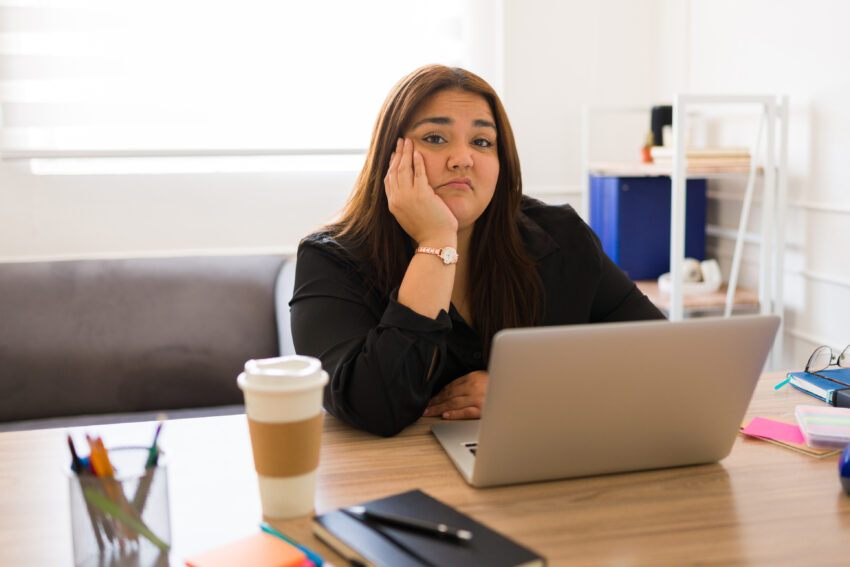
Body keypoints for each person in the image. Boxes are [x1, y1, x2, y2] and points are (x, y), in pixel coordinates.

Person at [290, 65, 664, 437]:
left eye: (482, 142)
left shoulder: (561, 238)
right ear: (391, 156)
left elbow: (661, 356)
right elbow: (374, 408)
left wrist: (529, 391)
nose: (462, 158)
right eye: (436, 138)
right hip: (398, 481)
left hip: (545, 463)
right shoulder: (332, 261)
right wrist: (436, 241)